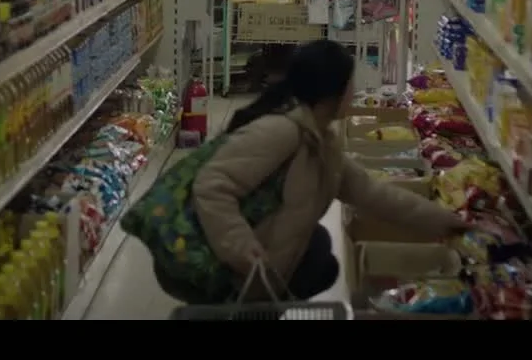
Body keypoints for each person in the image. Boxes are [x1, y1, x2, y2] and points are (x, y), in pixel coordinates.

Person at [186, 39, 468, 301]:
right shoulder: (282, 131)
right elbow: (210, 185)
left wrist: (448, 222)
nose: (355, 91)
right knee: (318, 253)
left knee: (321, 254)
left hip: (266, 262)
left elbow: (373, 194)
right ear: (332, 92)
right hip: (224, 265)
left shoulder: (321, 141)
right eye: (351, 83)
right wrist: (242, 250)